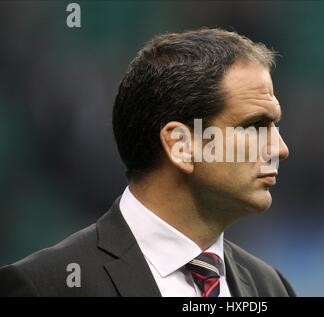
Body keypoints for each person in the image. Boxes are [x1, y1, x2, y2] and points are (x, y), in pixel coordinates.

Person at [0, 28, 294, 297]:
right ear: (181, 145)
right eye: (255, 126)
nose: (279, 149)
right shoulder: (44, 287)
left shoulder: (271, 287)